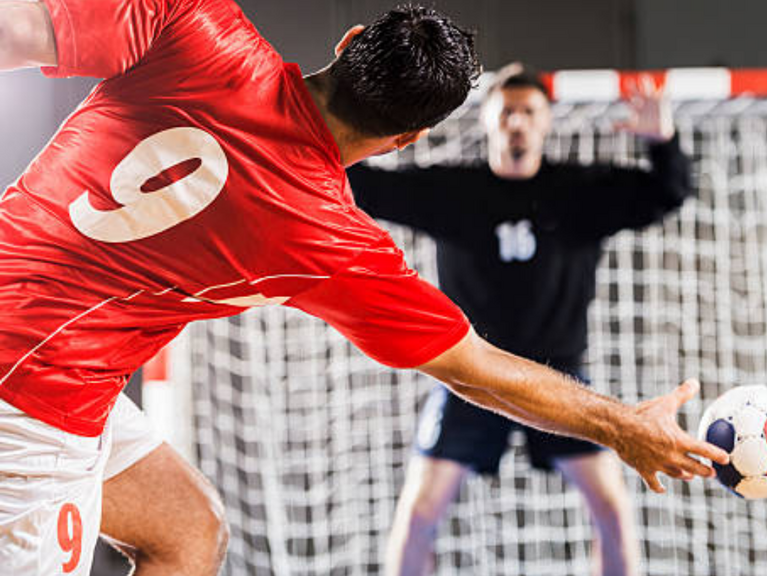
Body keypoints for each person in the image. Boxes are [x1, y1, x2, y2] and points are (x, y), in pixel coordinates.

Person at [0, 1, 728, 574]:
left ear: (348, 41)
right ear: (407, 139)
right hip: (33, 404)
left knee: (190, 533)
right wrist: (625, 426)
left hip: (54, 375)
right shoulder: (326, 237)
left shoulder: (196, 22)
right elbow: (474, 370)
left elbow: (16, 27)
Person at [348, 62, 690, 576]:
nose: (517, 122)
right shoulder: (451, 191)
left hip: (561, 379)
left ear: (546, 122)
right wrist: (345, 123)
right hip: (470, 374)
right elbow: (362, 187)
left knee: (613, 509)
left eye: (529, 112)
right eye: (506, 111)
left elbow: (667, 193)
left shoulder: (579, 194)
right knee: (419, 513)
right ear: (486, 119)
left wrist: (662, 141)